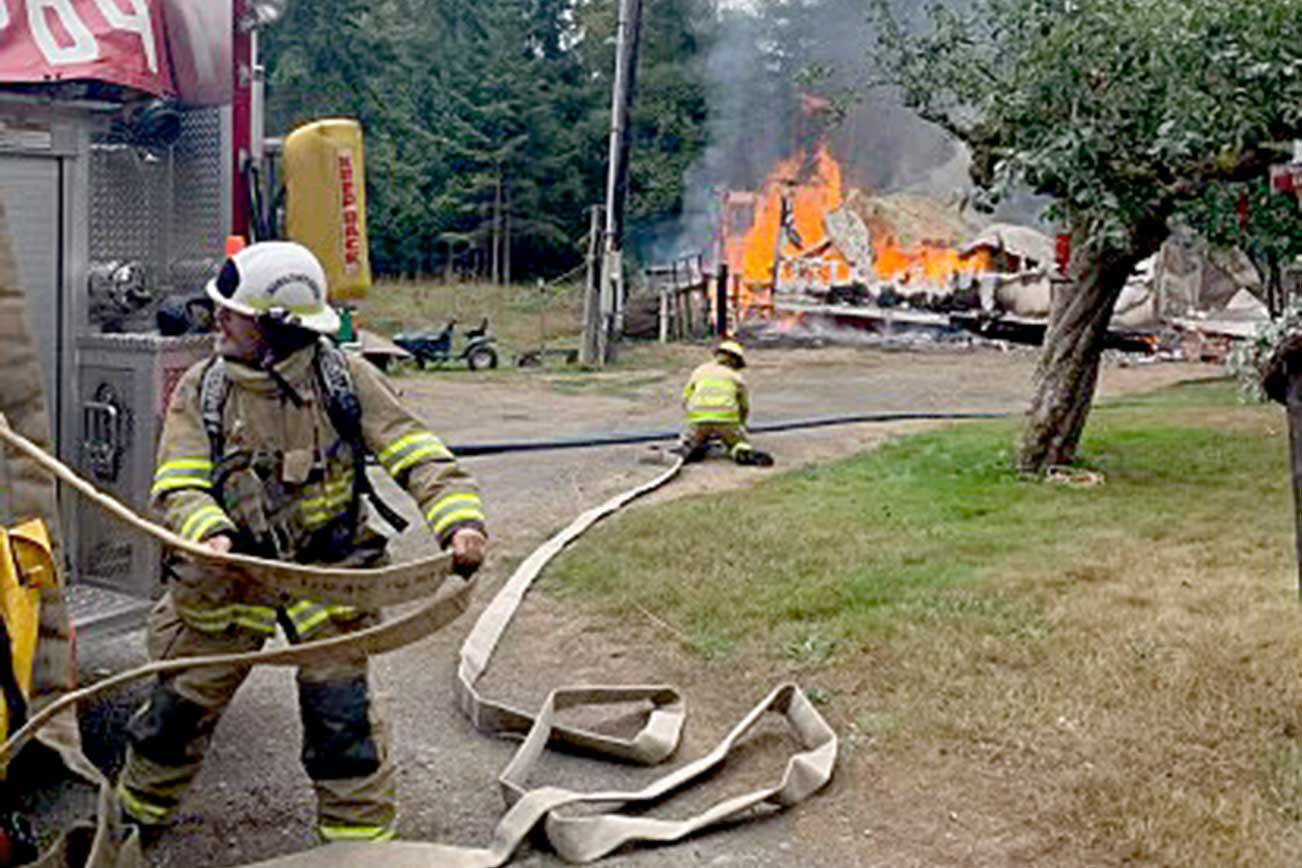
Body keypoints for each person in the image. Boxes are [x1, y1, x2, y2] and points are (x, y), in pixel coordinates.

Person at [116, 241, 487, 844]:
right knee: (174, 716)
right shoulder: (203, 389)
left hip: (328, 575)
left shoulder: (345, 378)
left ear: (274, 327)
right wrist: (206, 529)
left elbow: (420, 457)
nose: (217, 321)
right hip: (227, 579)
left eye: (231, 314)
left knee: (342, 722)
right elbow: (177, 482)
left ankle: (357, 850)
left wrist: (460, 525)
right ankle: (134, 826)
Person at [676, 341, 772, 466]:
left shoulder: (699, 371)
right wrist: (740, 425)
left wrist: (692, 419)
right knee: (737, 443)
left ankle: (692, 448)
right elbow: (743, 405)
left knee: (693, 440)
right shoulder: (735, 377)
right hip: (727, 420)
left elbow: (685, 398)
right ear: (735, 361)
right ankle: (741, 452)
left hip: (698, 419)